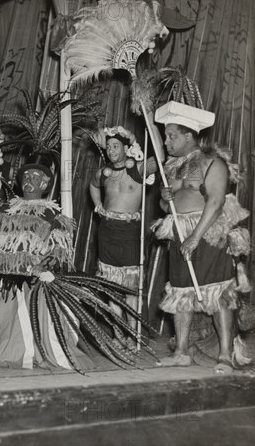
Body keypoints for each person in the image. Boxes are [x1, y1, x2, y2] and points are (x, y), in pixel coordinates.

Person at [0, 153, 100, 370]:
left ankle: (30, 350)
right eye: (26, 176)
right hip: (0, 275)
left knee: (40, 298)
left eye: (35, 177)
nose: (29, 180)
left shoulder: (52, 215)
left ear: (45, 185)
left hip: (32, 275)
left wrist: (42, 267)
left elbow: (59, 250)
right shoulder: (7, 208)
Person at [153, 101, 251, 374]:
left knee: (218, 293)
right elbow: (167, 207)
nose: (166, 142)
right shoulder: (172, 167)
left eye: (171, 136)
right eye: (165, 136)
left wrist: (196, 237)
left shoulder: (213, 163)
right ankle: (181, 352)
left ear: (188, 136)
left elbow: (216, 202)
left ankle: (225, 356)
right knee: (181, 292)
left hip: (208, 234)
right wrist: (164, 198)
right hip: (178, 231)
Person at [89, 125, 162, 348]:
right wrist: (98, 206)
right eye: (109, 146)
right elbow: (92, 185)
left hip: (130, 232)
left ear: (125, 148)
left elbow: (160, 158)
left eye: (116, 146)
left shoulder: (138, 169)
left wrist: (150, 123)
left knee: (131, 288)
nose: (111, 150)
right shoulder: (104, 173)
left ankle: (133, 335)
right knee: (111, 287)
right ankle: (118, 334)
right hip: (107, 231)